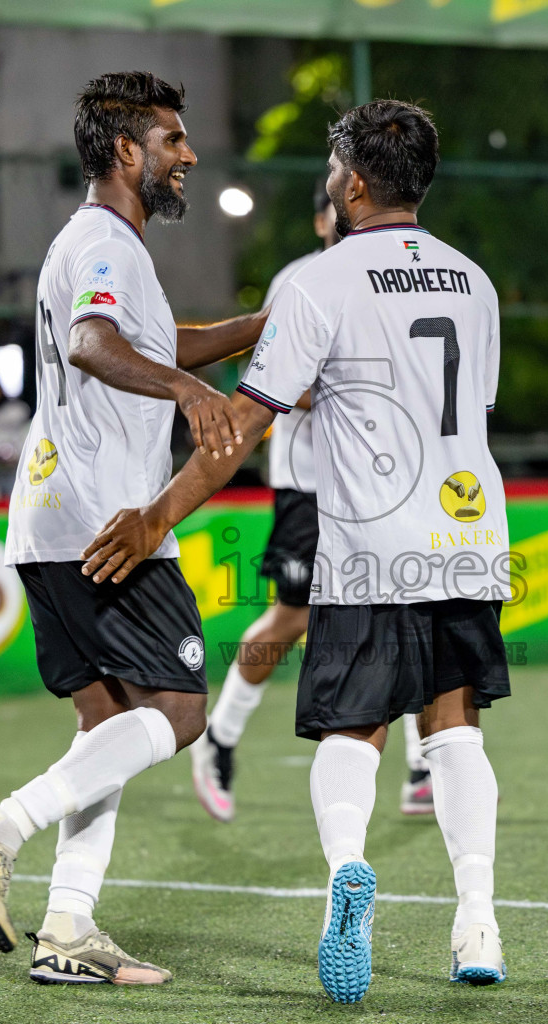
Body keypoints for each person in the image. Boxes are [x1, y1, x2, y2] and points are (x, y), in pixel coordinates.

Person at [79, 100, 511, 1001]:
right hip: (469, 532)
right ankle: (479, 922)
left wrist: (159, 515)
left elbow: (240, 424)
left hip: (366, 543)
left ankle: (344, 879)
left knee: (352, 728)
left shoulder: (317, 282)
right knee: (453, 725)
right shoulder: (475, 282)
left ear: (353, 182)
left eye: (329, 167)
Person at [0, 71, 270, 988]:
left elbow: (153, 340)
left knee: (109, 725)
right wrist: (190, 390)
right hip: (106, 522)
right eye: (171, 139)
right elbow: (94, 344)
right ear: (127, 151)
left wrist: (254, 328)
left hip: (49, 517)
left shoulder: (98, 244)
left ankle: (70, 930)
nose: (187, 154)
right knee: (181, 711)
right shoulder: (107, 246)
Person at [190, 184, 438, 823]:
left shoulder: (396, 276)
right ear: (323, 216)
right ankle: (220, 736)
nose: (347, 218)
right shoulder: (299, 279)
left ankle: (421, 758)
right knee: (292, 618)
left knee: (408, 603)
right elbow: (276, 381)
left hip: (383, 484)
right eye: (337, 209)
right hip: (309, 481)